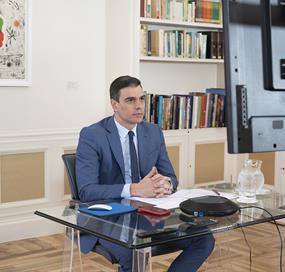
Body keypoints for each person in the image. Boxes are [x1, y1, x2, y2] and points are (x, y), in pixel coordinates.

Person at [76, 75, 215, 272]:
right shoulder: (92, 135)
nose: (139, 106)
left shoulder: (153, 131)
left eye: (141, 99)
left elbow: (171, 177)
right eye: (130, 100)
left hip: (150, 215)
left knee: (204, 239)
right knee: (134, 252)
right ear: (115, 104)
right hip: (108, 219)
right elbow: (87, 191)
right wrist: (134, 189)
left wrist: (166, 184)